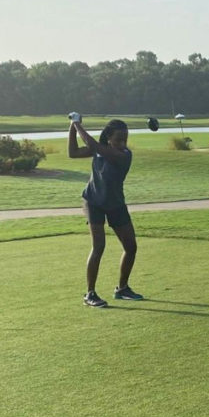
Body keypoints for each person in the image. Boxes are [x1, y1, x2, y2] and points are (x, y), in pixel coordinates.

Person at [68, 116, 143, 307]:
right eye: (118, 139)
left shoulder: (124, 155)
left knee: (131, 247)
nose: (122, 143)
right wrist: (72, 127)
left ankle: (122, 288)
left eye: (125, 139)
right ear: (109, 137)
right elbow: (73, 152)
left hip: (116, 203)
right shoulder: (99, 152)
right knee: (99, 246)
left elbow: (93, 144)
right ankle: (90, 294)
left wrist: (76, 123)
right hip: (93, 201)